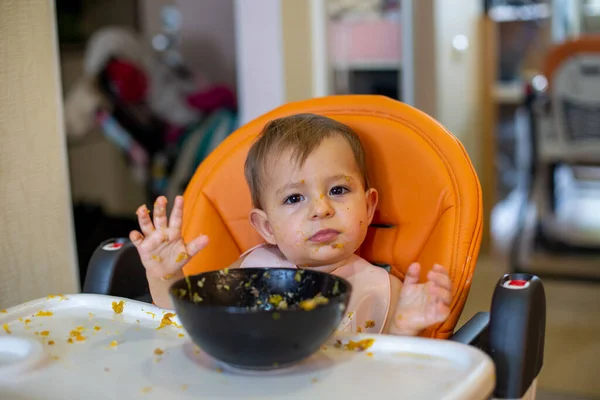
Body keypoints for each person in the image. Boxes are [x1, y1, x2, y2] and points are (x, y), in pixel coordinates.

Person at [130, 114, 452, 336]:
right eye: (294, 199)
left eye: (338, 190)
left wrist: (406, 327)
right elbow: (190, 322)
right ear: (266, 227)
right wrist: (166, 275)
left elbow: (400, 376)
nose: (321, 209)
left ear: (368, 207)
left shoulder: (382, 290)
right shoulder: (251, 268)